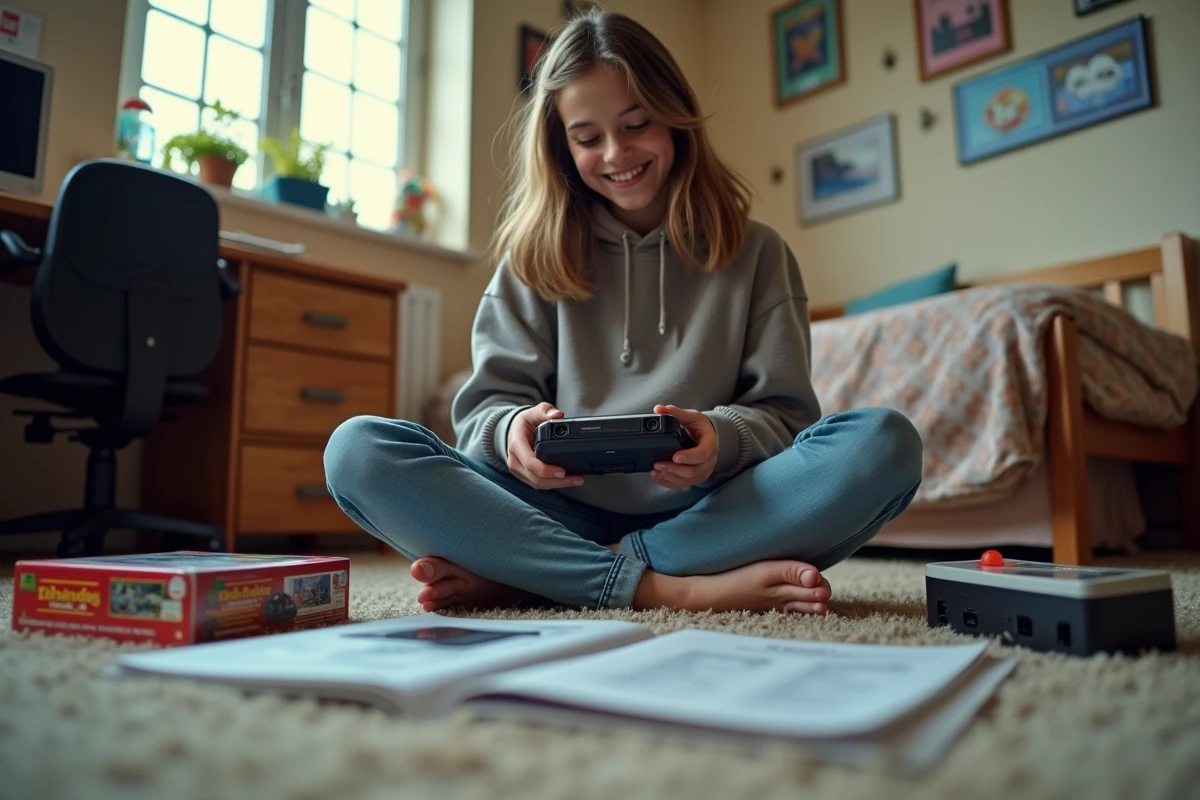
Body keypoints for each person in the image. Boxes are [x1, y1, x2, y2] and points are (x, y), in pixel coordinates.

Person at [324, 9, 922, 616]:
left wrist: (722, 438)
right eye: (588, 138)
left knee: (883, 444)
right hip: (555, 508)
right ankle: (669, 587)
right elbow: (482, 414)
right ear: (562, 147)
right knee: (358, 451)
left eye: (638, 124)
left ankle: (541, 574)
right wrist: (512, 434)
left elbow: (787, 418)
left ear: (676, 118)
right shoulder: (531, 260)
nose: (616, 153)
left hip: (710, 509)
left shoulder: (759, 253)